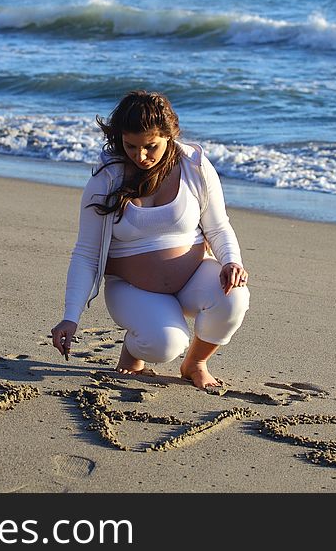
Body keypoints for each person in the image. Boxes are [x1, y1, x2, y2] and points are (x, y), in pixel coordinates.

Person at [51, 91, 250, 389]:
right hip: (133, 290)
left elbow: (219, 227)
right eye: (130, 146)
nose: (141, 156)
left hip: (193, 279)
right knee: (165, 345)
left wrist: (232, 261)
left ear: (169, 136)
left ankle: (195, 363)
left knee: (235, 297)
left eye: (150, 146)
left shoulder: (195, 167)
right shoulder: (106, 180)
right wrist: (70, 317)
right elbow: (86, 254)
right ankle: (134, 349)